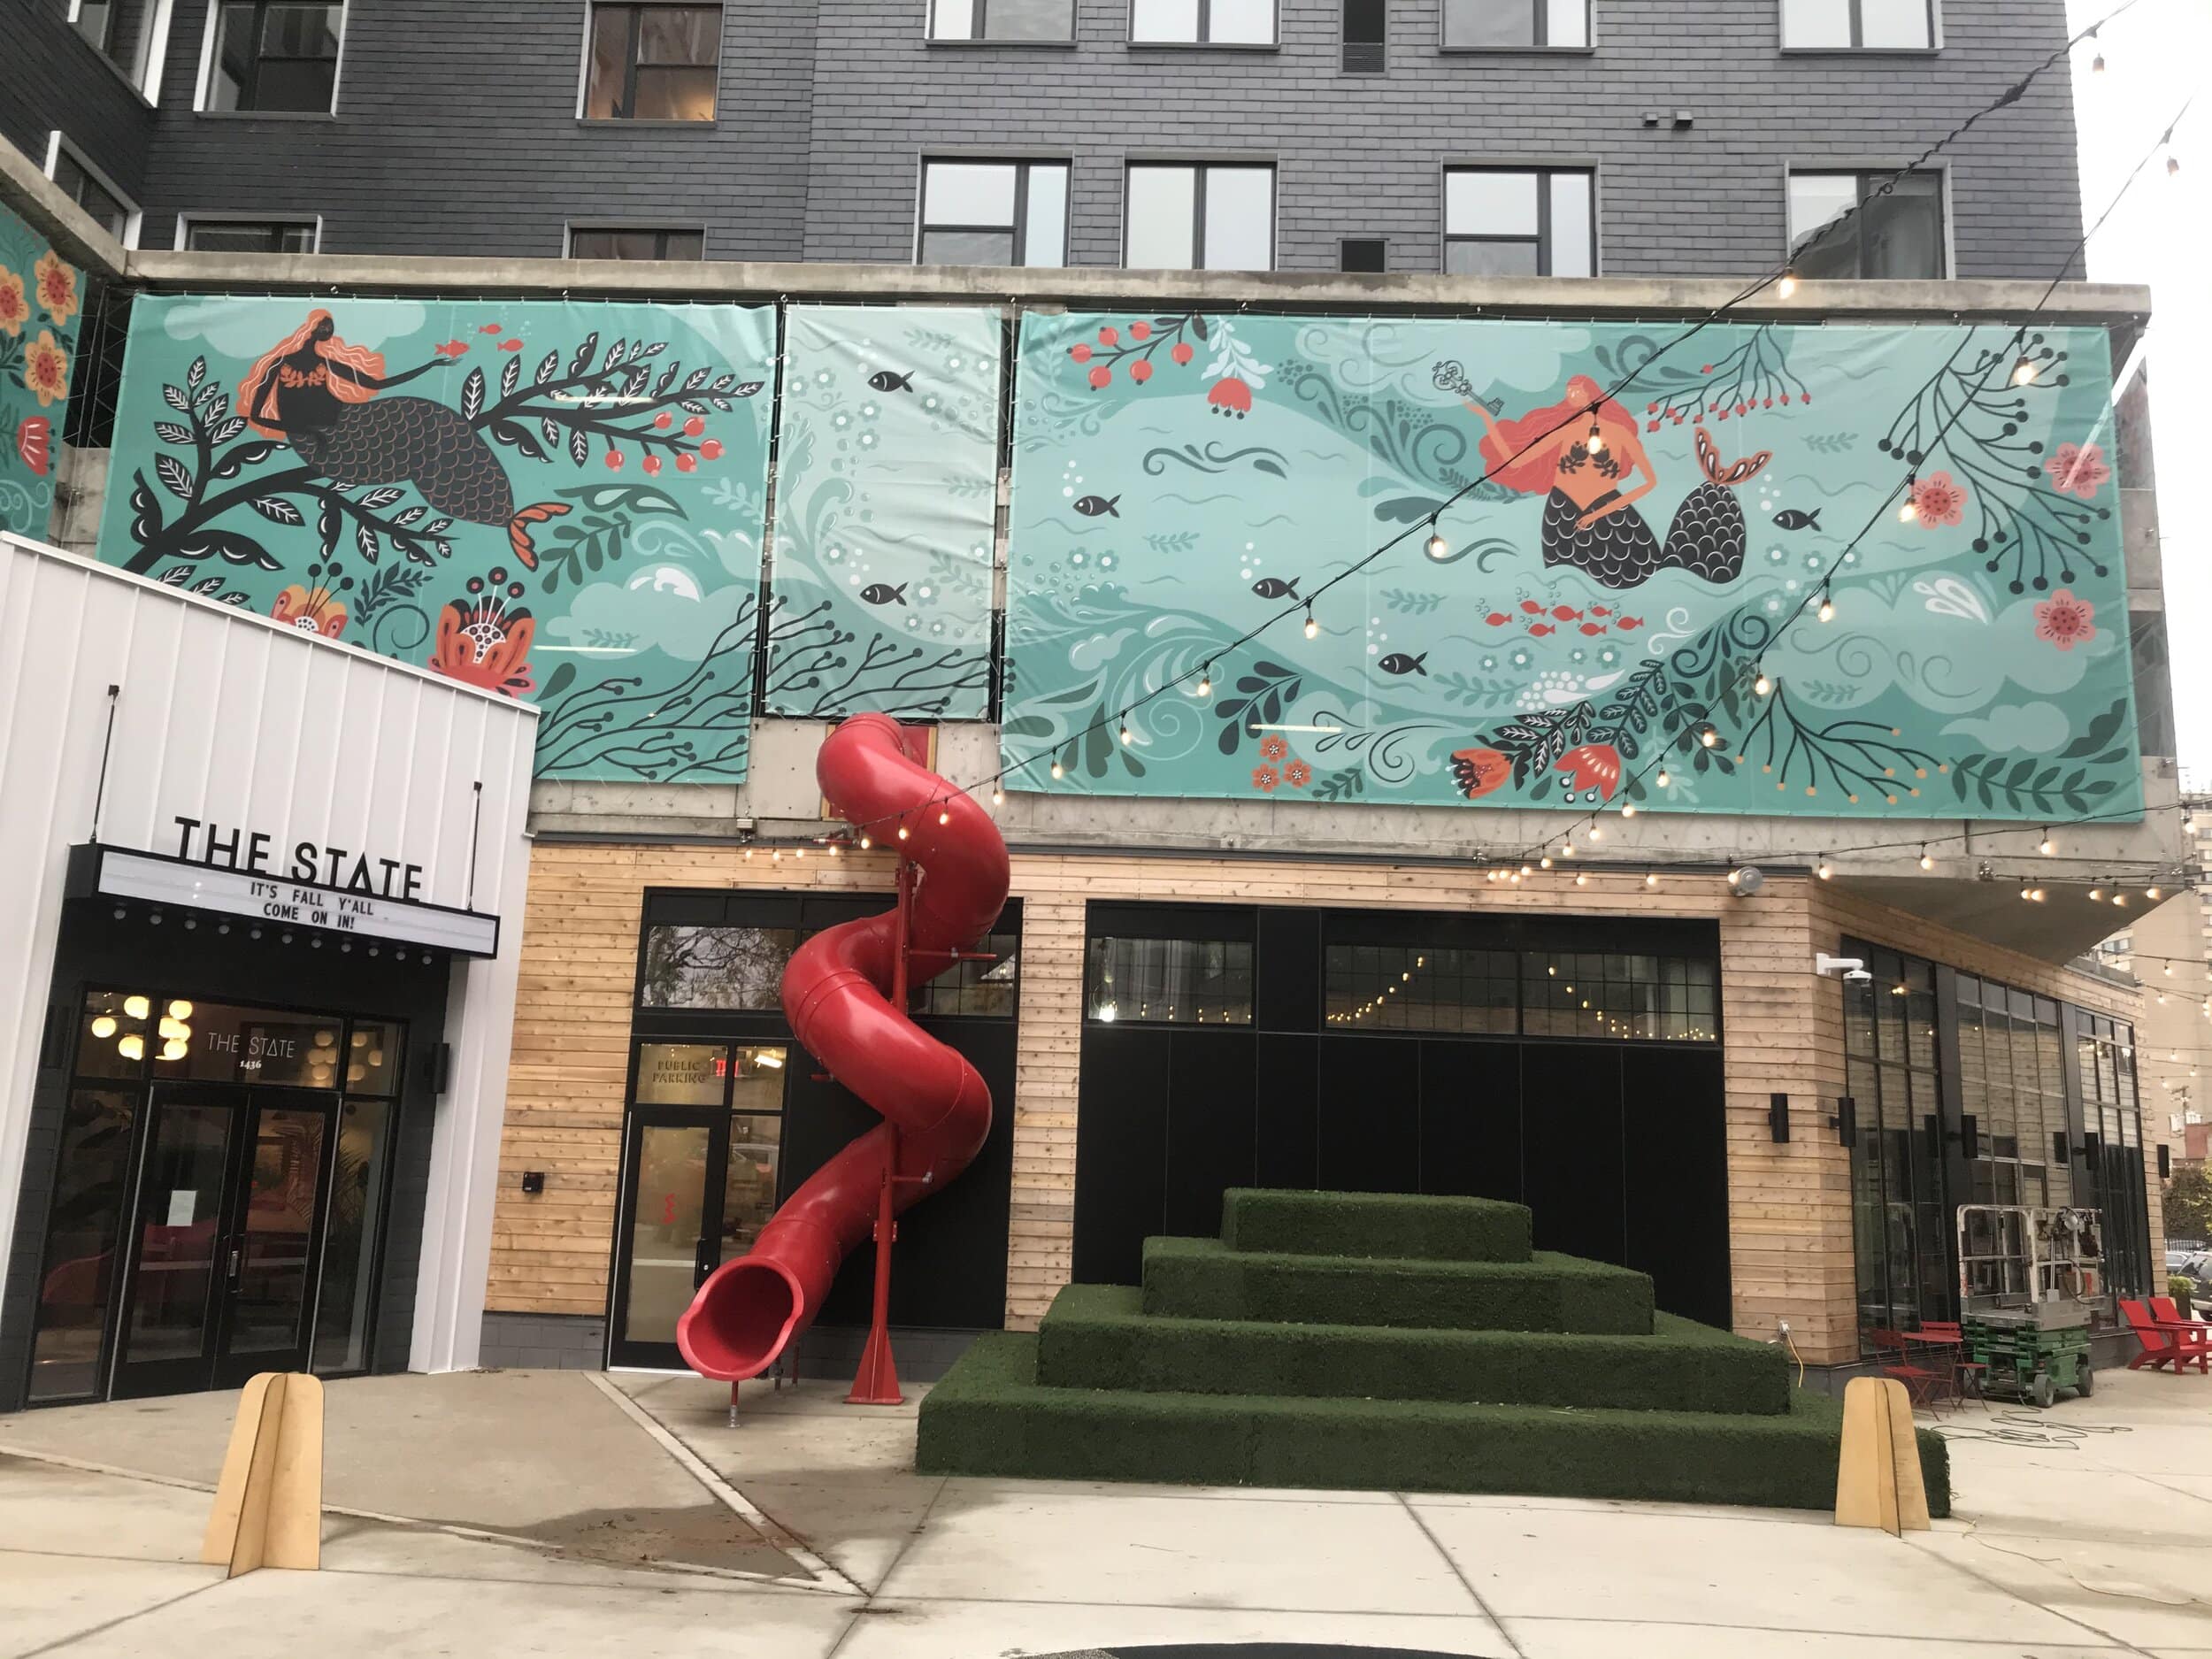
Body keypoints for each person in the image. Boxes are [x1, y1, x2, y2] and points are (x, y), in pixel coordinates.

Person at [238, 311, 565, 566]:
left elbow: (377, 386)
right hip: (325, 444)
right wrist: (303, 431)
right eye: (323, 330)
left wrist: (428, 366)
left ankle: (503, 512)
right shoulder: (280, 366)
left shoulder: (327, 363)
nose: (324, 334)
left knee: (427, 423)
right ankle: (503, 515)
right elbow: (256, 415)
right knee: (416, 441)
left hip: (348, 423)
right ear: (318, 332)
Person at [1461, 373, 1768, 590]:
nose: (1573, 399)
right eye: (1569, 394)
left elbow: (1649, 483)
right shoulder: (1567, 431)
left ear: (1593, 396)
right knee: (1564, 589)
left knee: (1627, 581)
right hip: (1562, 515)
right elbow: (1516, 460)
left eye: (1578, 393)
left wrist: (1597, 514)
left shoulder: (1618, 434)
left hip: (1609, 518)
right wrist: (1487, 420)